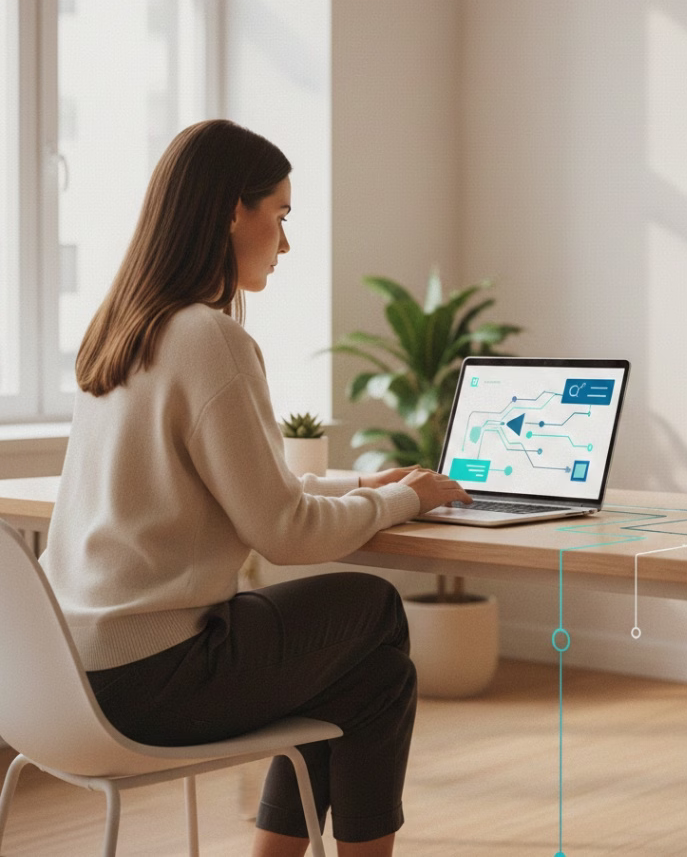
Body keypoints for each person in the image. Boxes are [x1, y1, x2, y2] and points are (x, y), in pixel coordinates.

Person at [39, 118, 472, 857]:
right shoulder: (209, 338)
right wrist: (408, 500)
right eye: (281, 216)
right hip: (154, 680)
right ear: (232, 212)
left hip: (67, 676)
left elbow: (231, 482)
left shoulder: (121, 329)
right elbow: (285, 533)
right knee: (370, 608)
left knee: (370, 680)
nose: (286, 241)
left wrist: (359, 481)